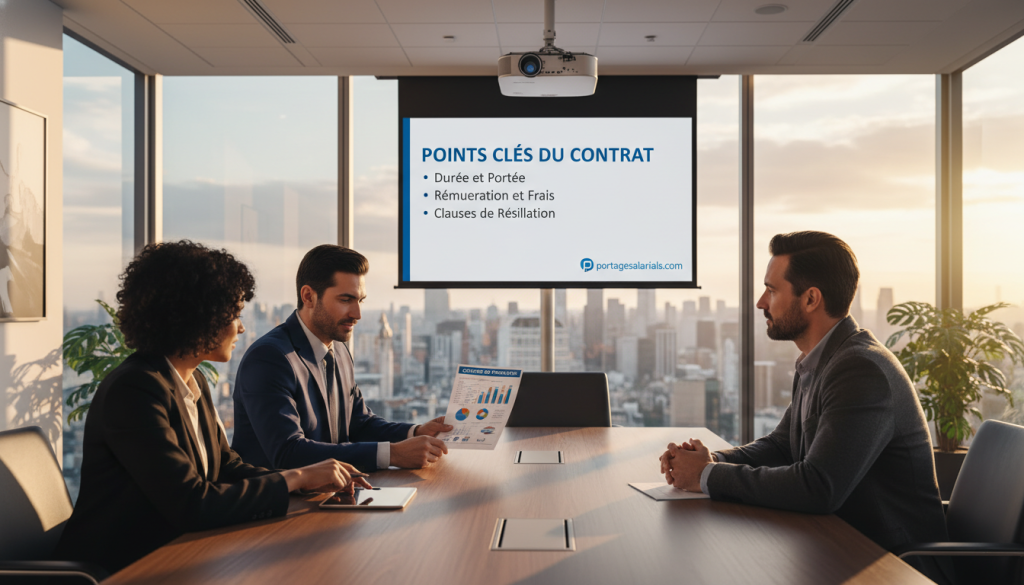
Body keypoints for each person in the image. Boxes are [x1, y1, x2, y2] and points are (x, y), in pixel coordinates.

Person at [55, 241, 367, 575]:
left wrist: (305, 482)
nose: (242, 328)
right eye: (234, 315)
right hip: (127, 567)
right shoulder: (134, 390)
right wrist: (296, 476)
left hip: (184, 554)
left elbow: (225, 466)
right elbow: (192, 504)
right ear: (198, 318)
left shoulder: (191, 380)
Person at [660, 231, 952, 584]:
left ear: (811, 298)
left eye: (772, 290)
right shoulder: (821, 360)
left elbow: (819, 487)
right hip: (840, 548)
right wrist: (711, 460)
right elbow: (782, 445)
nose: (760, 303)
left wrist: (706, 477)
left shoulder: (861, 369)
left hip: (892, 566)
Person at [231, 245, 452, 471]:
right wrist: (392, 454)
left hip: (333, 495)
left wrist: (414, 432)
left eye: (360, 300)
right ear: (308, 296)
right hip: (284, 503)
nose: (357, 314)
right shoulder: (269, 358)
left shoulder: (339, 350)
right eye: (346, 300)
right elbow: (288, 453)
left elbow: (359, 423)